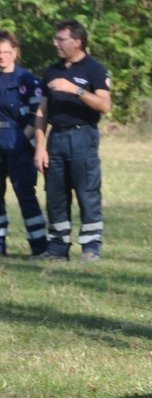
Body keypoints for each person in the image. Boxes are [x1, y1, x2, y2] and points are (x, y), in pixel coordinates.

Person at [33, 19, 112, 262]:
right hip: (56, 138)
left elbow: (105, 105)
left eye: (60, 39)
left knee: (87, 192)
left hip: (83, 136)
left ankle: (90, 247)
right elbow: (41, 112)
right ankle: (57, 247)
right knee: (55, 194)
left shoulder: (95, 70)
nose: (55, 43)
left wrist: (75, 90)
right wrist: (40, 146)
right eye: (55, 39)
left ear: (77, 42)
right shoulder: (51, 71)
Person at [0, 30, 48, 256]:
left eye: (7, 52)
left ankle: (39, 246)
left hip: (19, 142)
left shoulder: (27, 80)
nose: (2, 57)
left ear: (15, 53)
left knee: (25, 194)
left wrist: (23, 140)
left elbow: (37, 114)